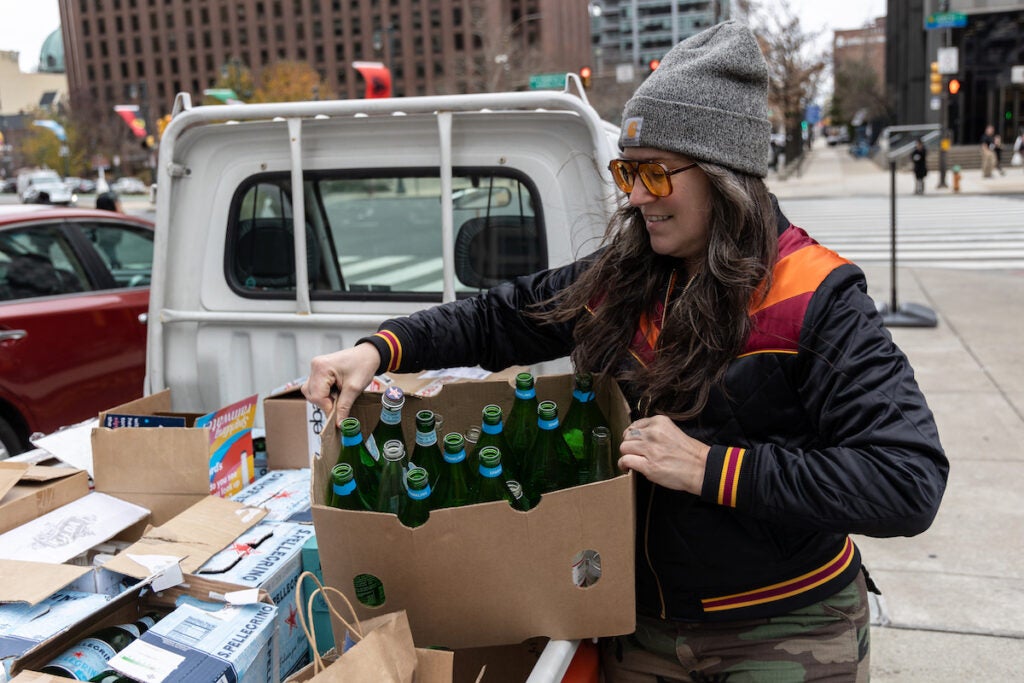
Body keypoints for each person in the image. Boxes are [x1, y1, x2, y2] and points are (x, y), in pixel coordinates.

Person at [302, 21, 948, 682]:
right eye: (627, 172)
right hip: (637, 625)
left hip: (784, 629)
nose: (636, 196)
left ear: (726, 172)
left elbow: (907, 479)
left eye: (654, 174)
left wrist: (710, 468)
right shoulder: (629, 277)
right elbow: (500, 316)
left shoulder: (816, 295)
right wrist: (380, 350)